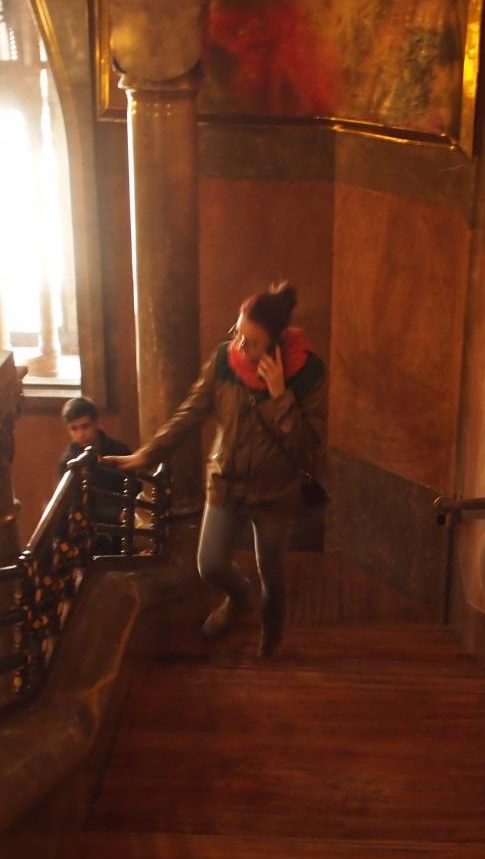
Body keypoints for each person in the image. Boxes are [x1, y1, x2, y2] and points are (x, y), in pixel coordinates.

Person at [107, 281, 326, 657]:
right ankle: (240, 599)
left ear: (276, 343)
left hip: (276, 493)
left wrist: (280, 397)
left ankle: (272, 638)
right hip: (226, 480)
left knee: (272, 573)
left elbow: (308, 443)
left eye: (252, 342)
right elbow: (190, 412)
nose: (240, 346)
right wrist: (148, 454)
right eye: (238, 334)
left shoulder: (308, 373)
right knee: (209, 563)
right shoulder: (226, 361)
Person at [59, 397, 135, 553]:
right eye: (74, 429)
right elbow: (75, 505)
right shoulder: (68, 463)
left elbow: (136, 485)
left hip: (128, 519)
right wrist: (116, 515)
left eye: (85, 426)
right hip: (92, 529)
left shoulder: (119, 449)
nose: (80, 434)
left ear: (96, 423)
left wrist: (128, 510)